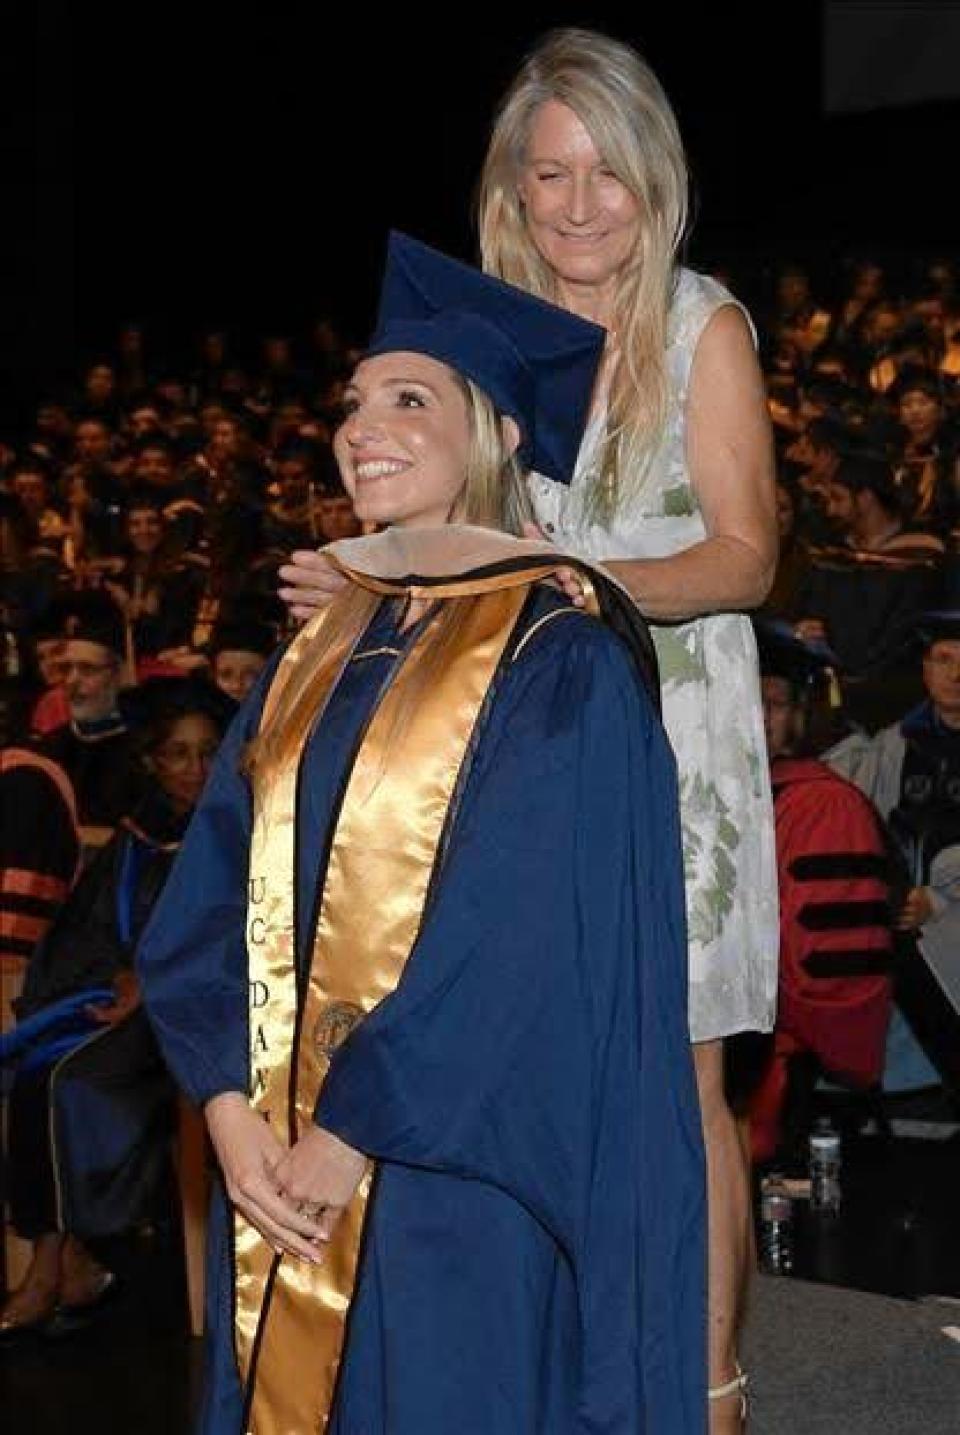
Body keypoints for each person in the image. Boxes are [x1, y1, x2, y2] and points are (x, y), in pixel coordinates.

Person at [278, 29, 777, 1426]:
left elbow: (746, 557)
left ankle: (710, 1382)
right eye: (549, 172)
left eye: (608, 173)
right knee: (535, 1057)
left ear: (655, 179)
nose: (577, 205)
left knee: (680, 1072)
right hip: (518, 740)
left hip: (672, 736)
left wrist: (587, 580)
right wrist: (370, 570)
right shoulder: (490, 331)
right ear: (510, 183)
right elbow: (461, 529)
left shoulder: (703, 326)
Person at [138, 233, 706, 1433]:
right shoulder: (314, 652)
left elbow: (524, 940)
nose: (360, 426)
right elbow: (210, 894)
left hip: (456, 1176)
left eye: (409, 399)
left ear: (501, 432)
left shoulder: (561, 656)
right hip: (282, 1164)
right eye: (352, 402)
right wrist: (230, 1113)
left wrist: (349, 1132)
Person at [0, 677, 233, 1337]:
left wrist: (151, 979)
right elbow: (89, 925)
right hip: (125, 1004)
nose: (193, 768)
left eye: (208, 752)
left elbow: (240, 933)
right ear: (153, 762)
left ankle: (60, 1265)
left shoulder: (237, 827)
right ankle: (62, 1260)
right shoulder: (140, 830)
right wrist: (112, 977)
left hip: (196, 1017)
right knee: (35, 1071)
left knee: (74, 1082)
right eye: (178, 754)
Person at [738, 624, 893, 1166]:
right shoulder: (698, 789)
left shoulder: (824, 805)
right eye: (742, 698)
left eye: (773, 702)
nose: (756, 715)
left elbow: (833, 967)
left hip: (776, 1057)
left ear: (800, 715)